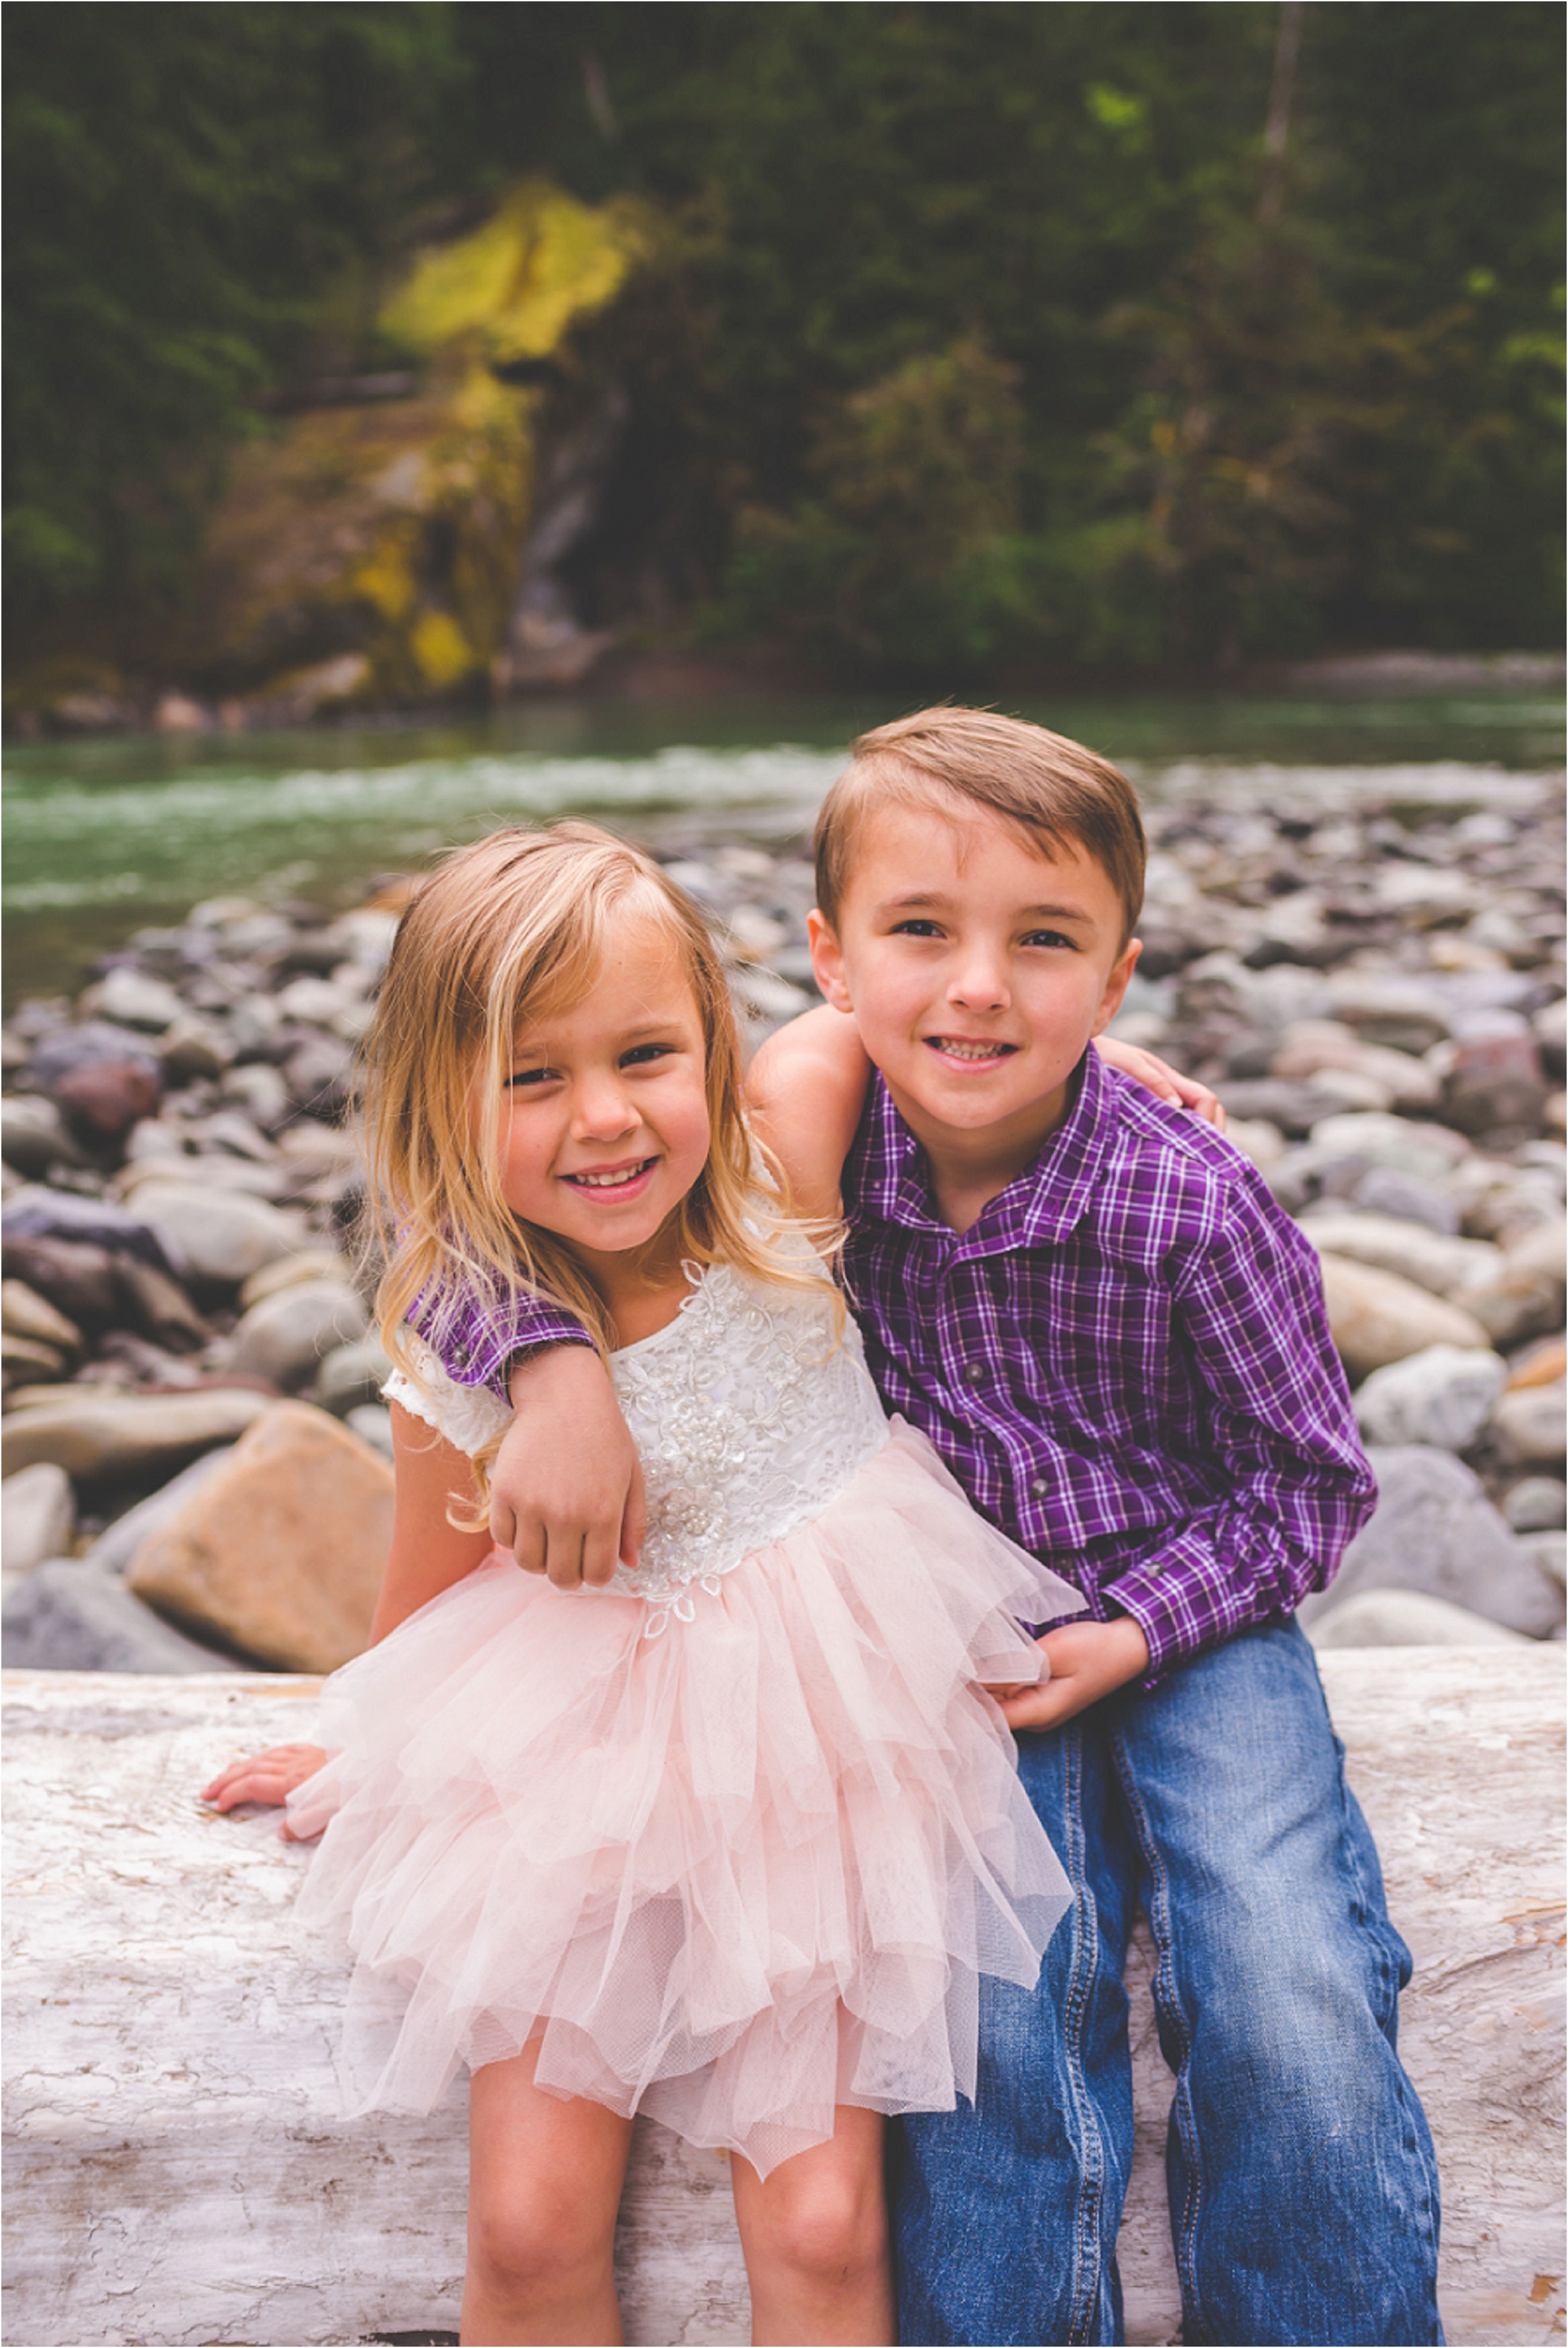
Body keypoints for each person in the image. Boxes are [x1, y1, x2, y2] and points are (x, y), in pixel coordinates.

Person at [431, 712, 1445, 2348]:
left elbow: (1312, 1486)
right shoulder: (799, 1146)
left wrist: (1137, 1628)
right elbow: (488, 1237)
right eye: (921, 934)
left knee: (1287, 1977)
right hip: (941, 1634)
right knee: (980, 2012)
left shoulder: (1190, 1203)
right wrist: (548, 1379)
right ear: (831, 960)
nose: (976, 986)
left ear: (1113, 979)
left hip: (1188, 1615)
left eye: (1040, 947)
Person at [206, 820, 1106, 2348]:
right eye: (532, 1077)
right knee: (526, 2221)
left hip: (824, 1743)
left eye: (643, 1054)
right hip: (581, 1754)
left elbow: (913, 1018)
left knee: (821, 2229)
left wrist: (1106, 1077)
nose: (605, 1120)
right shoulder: (455, 1337)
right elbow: (428, 1593)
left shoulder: (776, 1167)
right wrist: (376, 1744)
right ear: (444, 1094)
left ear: (712, 1038)